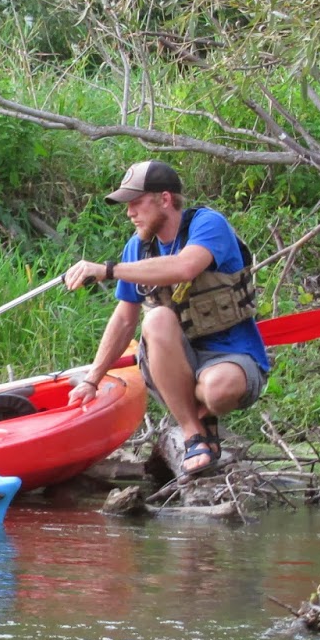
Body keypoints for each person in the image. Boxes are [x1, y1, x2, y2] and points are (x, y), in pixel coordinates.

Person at [61, 159, 269, 478]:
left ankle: (201, 410)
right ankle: (194, 433)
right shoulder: (138, 248)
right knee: (156, 318)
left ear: (165, 199)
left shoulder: (208, 224)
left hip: (231, 358)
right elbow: (124, 321)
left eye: (136, 203)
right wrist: (92, 378)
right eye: (126, 205)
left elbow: (185, 267)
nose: (130, 212)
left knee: (217, 389)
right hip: (169, 366)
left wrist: (108, 270)